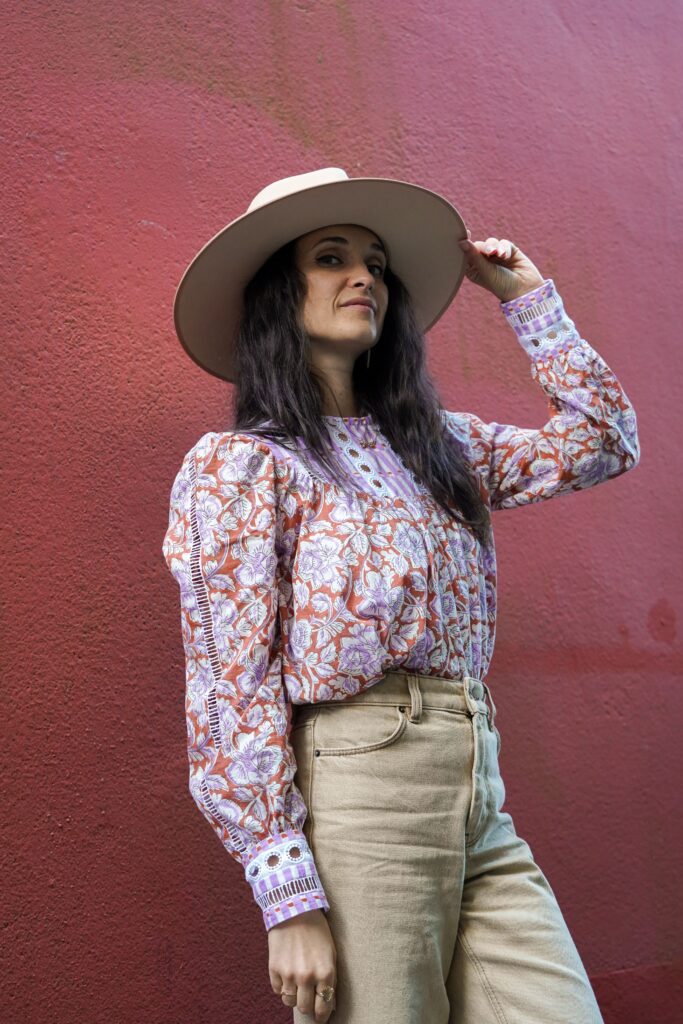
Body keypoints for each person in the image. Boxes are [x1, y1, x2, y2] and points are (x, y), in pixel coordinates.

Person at [162, 167, 640, 1023]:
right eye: (331, 258)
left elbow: (603, 442)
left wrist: (526, 300)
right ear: (277, 294)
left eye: (376, 265)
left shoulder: (441, 447)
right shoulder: (245, 467)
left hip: (477, 787)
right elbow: (230, 683)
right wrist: (287, 898)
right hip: (362, 790)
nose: (363, 278)